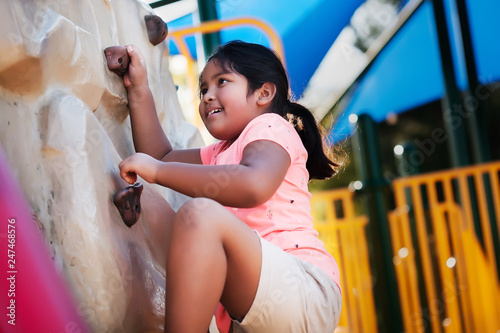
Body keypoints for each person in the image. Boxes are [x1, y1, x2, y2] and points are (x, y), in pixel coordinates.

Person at [118, 40, 342, 333]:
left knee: (199, 215)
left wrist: (159, 171)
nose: (208, 96)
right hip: (251, 312)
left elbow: (253, 184)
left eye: (221, 82)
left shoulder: (271, 127)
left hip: (300, 288)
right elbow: (160, 156)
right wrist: (138, 90)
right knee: (197, 218)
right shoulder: (220, 152)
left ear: (263, 93)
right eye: (203, 90)